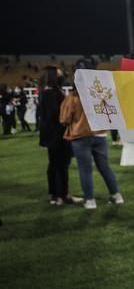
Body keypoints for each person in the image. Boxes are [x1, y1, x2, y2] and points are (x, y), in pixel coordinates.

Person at [60, 88, 125, 209]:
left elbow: (65, 119)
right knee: (105, 167)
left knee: (85, 170)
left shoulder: (73, 97)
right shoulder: (100, 94)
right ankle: (116, 196)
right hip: (100, 135)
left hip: (81, 136)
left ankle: (90, 200)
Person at [37, 67, 80, 205]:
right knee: (60, 165)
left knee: (56, 165)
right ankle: (62, 195)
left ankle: (57, 195)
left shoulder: (49, 91)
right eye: (59, 73)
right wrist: (70, 117)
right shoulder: (50, 93)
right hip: (56, 135)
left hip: (53, 135)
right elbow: (54, 115)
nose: (62, 75)